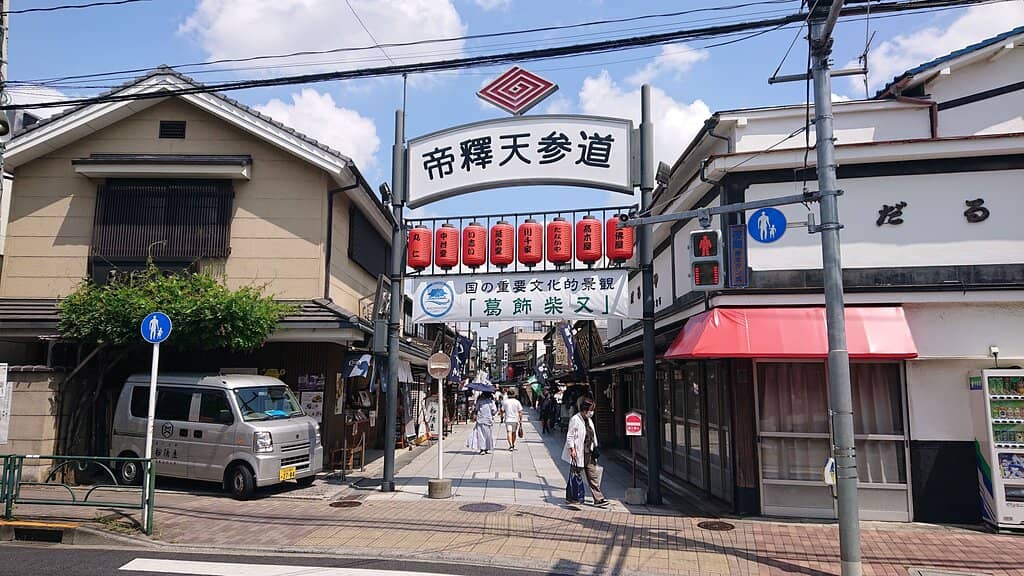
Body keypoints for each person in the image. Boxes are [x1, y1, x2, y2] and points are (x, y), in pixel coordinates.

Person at [561, 398, 608, 507]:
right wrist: (572, 449)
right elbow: (570, 435)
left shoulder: (588, 419)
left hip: (589, 452)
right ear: (585, 409)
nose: (592, 412)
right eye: (591, 409)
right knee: (575, 474)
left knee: (593, 475)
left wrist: (595, 447)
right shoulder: (575, 419)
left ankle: (598, 498)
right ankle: (572, 497)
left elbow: (592, 434)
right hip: (578, 452)